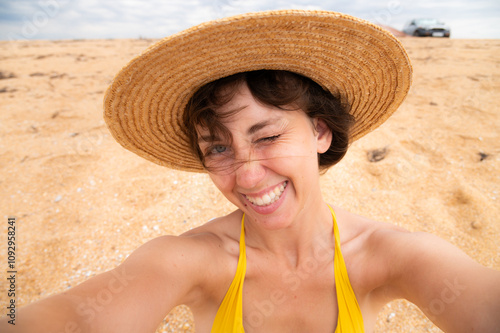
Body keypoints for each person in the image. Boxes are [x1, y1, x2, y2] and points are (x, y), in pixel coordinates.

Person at [2, 9, 499, 333]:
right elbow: (76, 321)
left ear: (320, 133)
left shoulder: (389, 256)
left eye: (267, 137)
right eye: (218, 149)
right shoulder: (191, 259)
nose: (246, 175)